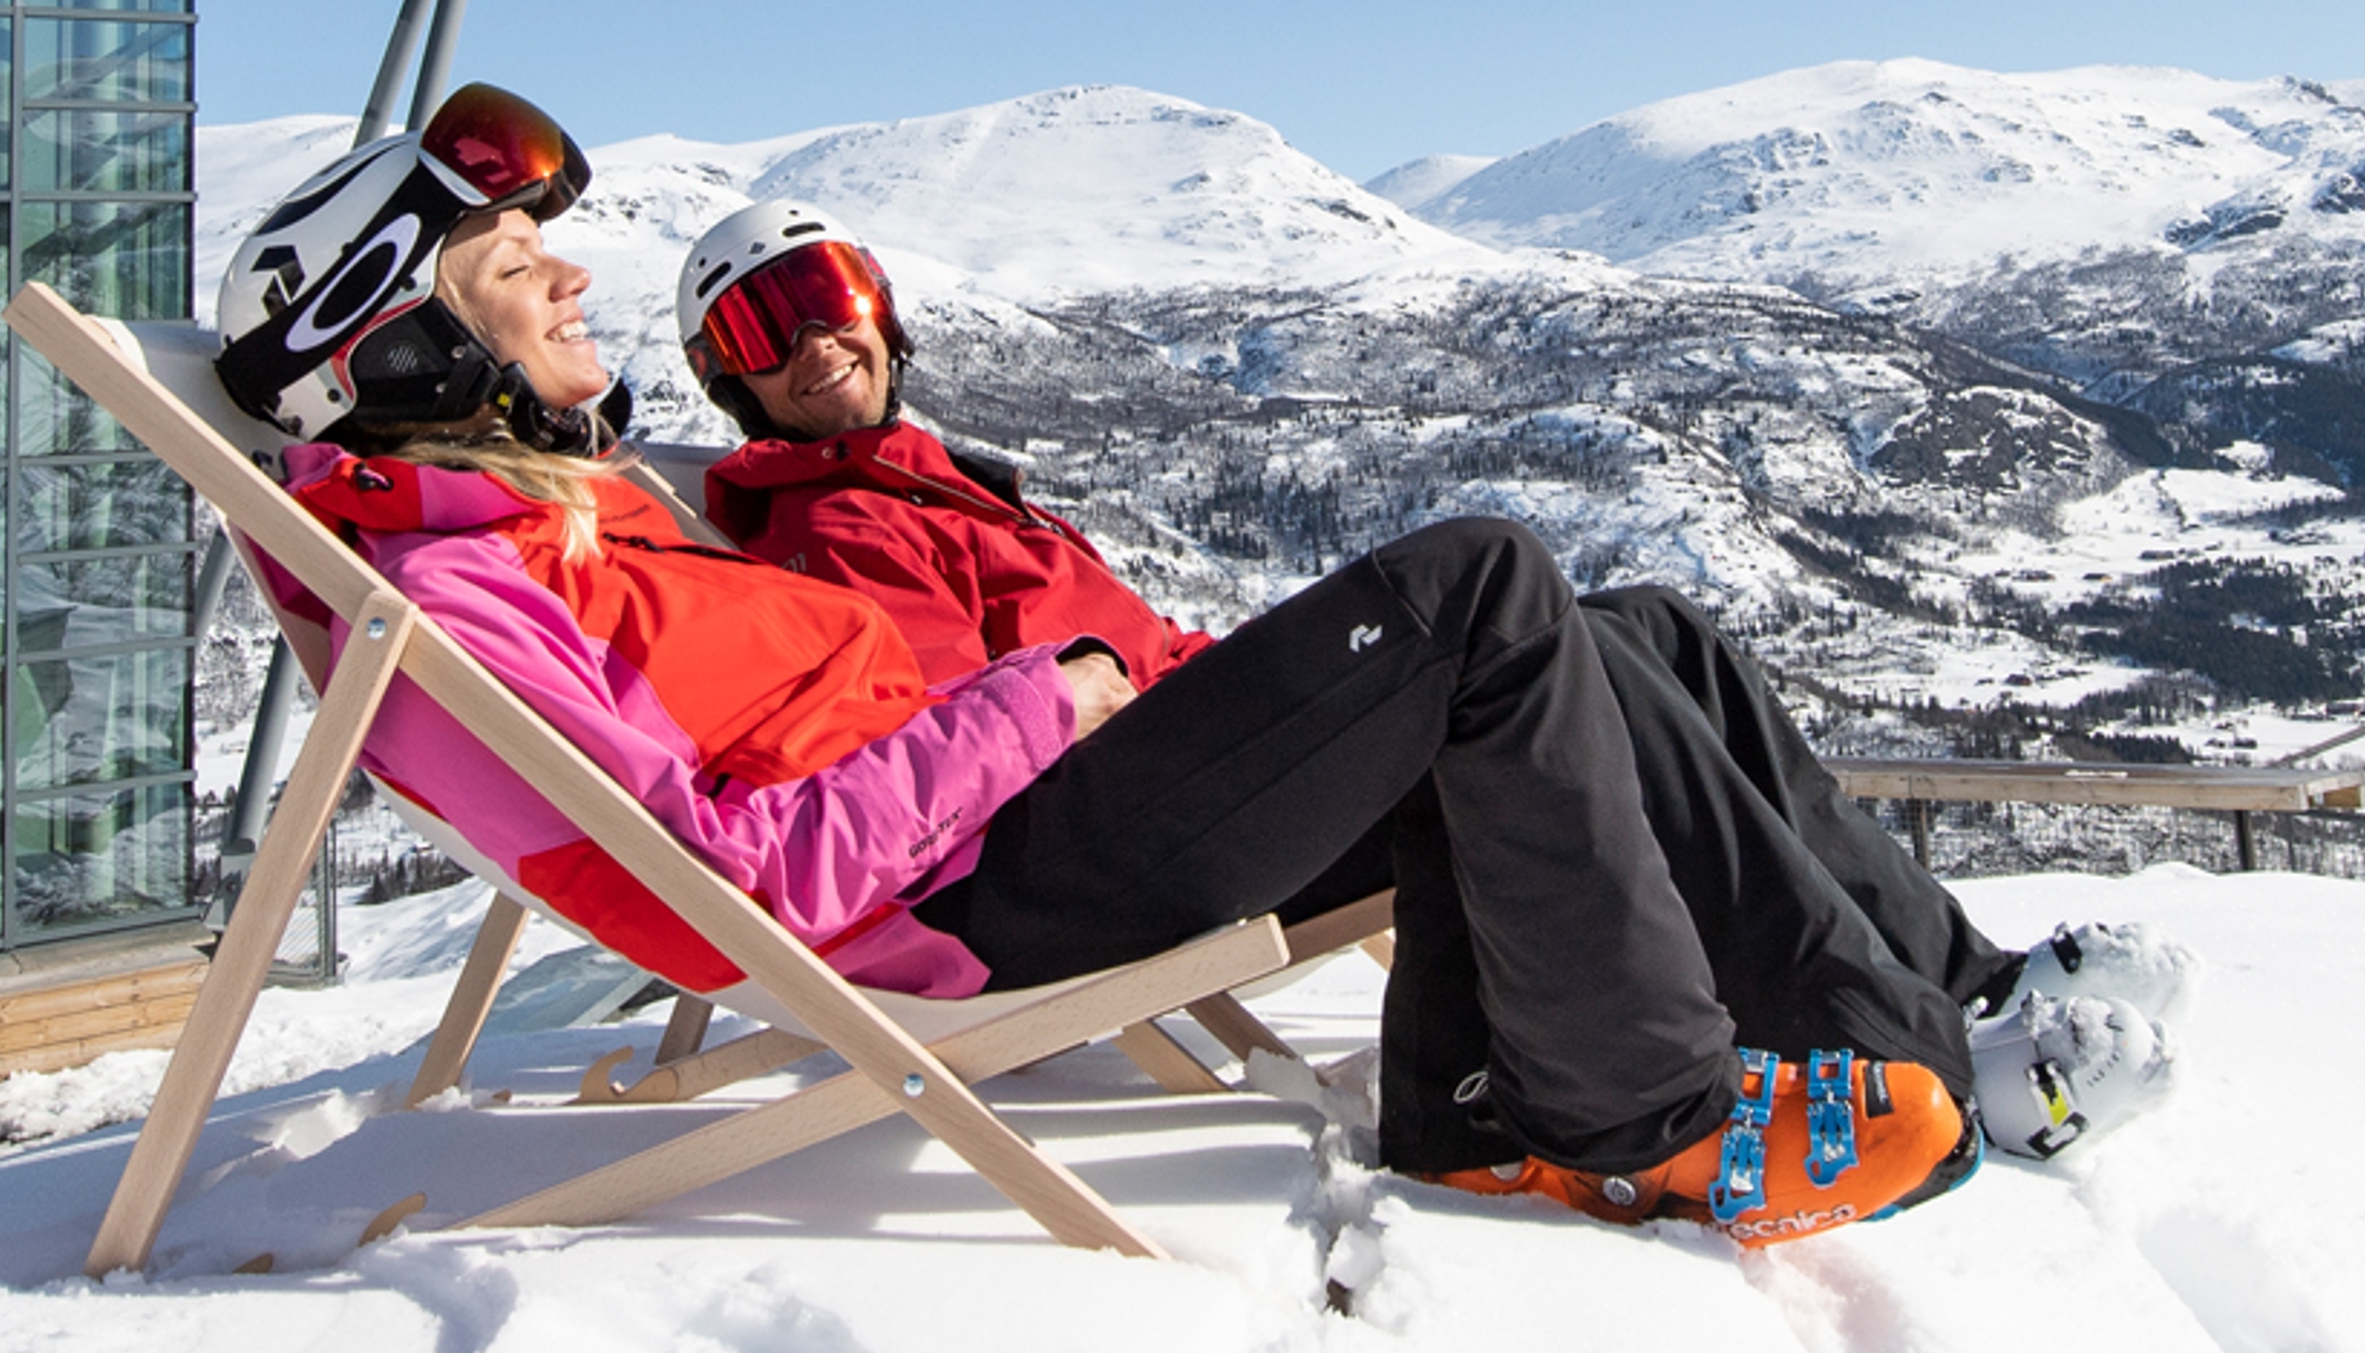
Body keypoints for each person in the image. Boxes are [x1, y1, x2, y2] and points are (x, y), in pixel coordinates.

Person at [223, 85, 1988, 1246]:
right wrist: (1045, 695)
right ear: (400, 347)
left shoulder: (555, 529)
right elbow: (722, 892)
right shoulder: (457, 603)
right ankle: (1649, 1117)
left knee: (1606, 635)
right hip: (985, 891)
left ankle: (1517, 1101)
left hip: (1030, 818)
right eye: (519, 264)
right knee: (1481, 587)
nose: (571, 275)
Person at [673, 200, 2185, 1165]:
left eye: (826, 293)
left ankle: (1965, 977)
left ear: (882, 308)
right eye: (759, 325)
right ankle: (1910, 1060)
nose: (809, 339)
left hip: (1157, 795)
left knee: (1641, 628)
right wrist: (1147, 702)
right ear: (726, 380)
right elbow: (946, 741)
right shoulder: (831, 533)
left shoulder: (946, 487)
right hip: (1066, 865)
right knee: (1490, 586)